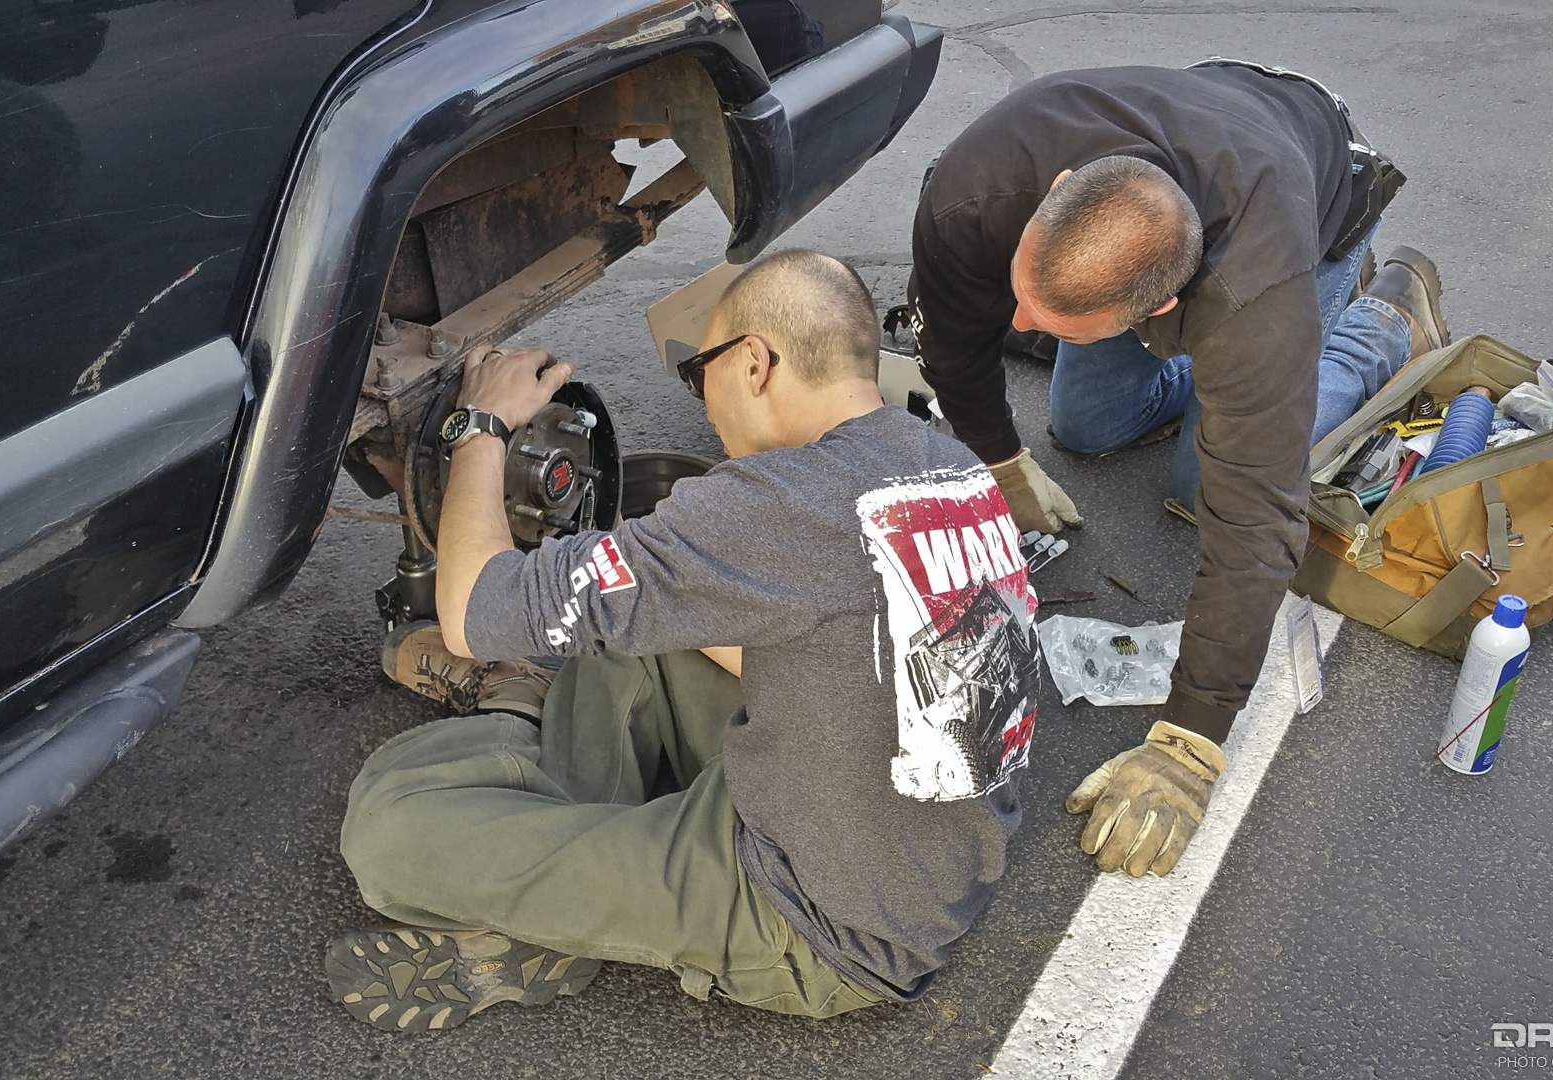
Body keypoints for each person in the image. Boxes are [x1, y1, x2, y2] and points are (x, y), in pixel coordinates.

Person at [327, 250, 1043, 1032]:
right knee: (644, 623)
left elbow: (471, 611)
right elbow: (861, 657)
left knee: (388, 824)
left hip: (816, 923)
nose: (703, 407)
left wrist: (482, 424)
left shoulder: (776, 504)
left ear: (755, 363)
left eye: (701, 375)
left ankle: (550, 884)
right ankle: (568, 871)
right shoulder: (949, 466)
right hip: (918, 858)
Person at [907, 61, 1450, 879]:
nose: (1014, 321)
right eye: (1023, 296)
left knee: (1206, 481)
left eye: (1050, 323)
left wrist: (1191, 740)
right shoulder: (977, 186)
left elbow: (1257, 525)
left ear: (1158, 306)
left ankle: (1385, 317)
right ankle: (1217, 385)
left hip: (1315, 183)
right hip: (1208, 128)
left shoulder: (1257, 297)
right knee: (1083, 428)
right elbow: (952, 334)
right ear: (1061, 191)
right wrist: (1001, 458)